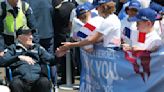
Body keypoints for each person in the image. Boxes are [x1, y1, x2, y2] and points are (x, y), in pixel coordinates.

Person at [56, 0, 121, 57]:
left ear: (103, 7)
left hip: (111, 53)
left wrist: (70, 45)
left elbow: (91, 40)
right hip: (109, 54)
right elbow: (79, 36)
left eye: (97, 8)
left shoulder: (108, 21)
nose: (96, 10)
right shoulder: (109, 19)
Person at [0, 27, 55, 92]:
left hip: (37, 81)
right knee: (15, 83)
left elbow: (51, 61)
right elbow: (2, 62)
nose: (31, 37)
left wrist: (57, 56)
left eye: (31, 35)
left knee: (44, 81)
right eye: (28, 35)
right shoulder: (12, 48)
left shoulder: (38, 48)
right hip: (21, 81)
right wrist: (18, 57)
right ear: (19, 37)